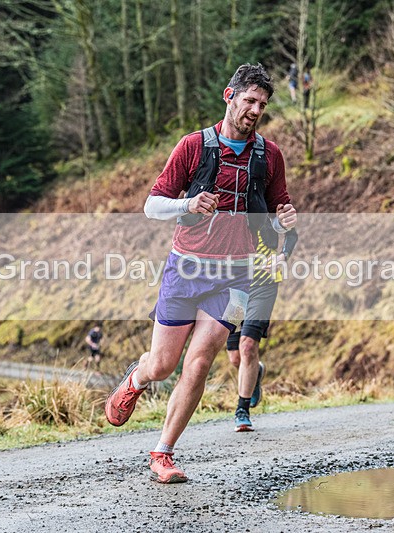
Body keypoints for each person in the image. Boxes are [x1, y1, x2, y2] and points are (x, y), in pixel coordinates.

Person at [104, 63, 296, 484]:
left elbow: (275, 218)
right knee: (163, 364)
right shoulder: (194, 146)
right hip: (185, 269)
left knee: (200, 362)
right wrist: (187, 205)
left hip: (236, 275)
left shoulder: (269, 155)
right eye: (249, 100)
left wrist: (285, 222)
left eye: (262, 104)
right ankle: (138, 376)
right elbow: (152, 206)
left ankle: (163, 453)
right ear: (229, 96)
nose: (255, 110)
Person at [227, 217, 298, 432]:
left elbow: (291, 232)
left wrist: (283, 256)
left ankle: (242, 410)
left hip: (264, 285)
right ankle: (255, 371)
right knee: (235, 357)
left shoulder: (268, 205)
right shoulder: (230, 204)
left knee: (248, 346)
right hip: (235, 289)